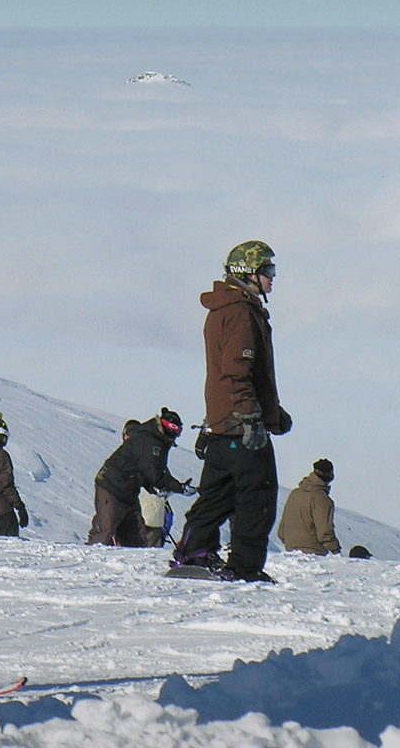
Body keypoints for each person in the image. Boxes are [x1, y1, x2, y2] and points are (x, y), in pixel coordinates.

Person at [172, 241, 290, 582]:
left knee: (217, 494)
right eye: (267, 271)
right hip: (240, 424)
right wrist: (252, 415)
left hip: (223, 423)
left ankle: (194, 551)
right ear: (248, 273)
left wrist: (272, 414)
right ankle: (244, 567)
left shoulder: (225, 308)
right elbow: (238, 369)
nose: (272, 278)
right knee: (259, 494)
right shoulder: (240, 311)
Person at [89, 408, 189, 547]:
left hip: (128, 491)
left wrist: (155, 489)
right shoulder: (150, 441)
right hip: (112, 487)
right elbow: (153, 473)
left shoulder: (154, 440)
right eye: (176, 430)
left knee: (135, 535)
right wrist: (179, 488)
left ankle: (133, 563)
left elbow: (145, 471)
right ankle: (91, 559)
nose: (177, 435)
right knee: (106, 531)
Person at [278, 458, 340, 555]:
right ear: (330, 474)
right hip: (314, 552)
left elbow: (281, 530)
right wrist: (335, 550)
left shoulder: (295, 493)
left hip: (290, 550)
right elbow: (324, 532)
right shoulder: (321, 499)